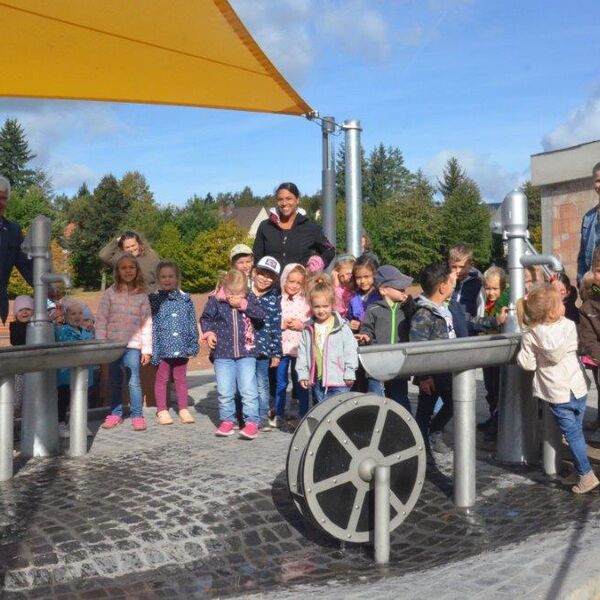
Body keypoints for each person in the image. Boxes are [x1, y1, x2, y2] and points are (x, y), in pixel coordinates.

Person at [517, 284, 598, 494]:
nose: (564, 305)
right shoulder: (569, 325)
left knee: (572, 436)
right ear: (553, 311)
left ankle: (586, 475)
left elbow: (527, 364)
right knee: (577, 432)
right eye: (560, 303)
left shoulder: (532, 334)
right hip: (577, 387)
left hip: (557, 392)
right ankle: (581, 470)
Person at [409, 263, 468, 454]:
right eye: (451, 283)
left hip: (447, 369)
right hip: (431, 374)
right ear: (442, 287)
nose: (453, 286)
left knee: (453, 403)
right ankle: (420, 445)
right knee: (425, 410)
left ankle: (434, 431)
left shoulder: (446, 308)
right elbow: (417, 348)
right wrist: (423, 377)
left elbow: (468, 320)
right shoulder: (424, 313)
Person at [200, 269, 264, 440]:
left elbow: (260, 315)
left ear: (245, 290)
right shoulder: (215, 300)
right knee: (225, 390)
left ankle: (252, 422)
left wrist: (244, 305)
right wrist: (209, 333)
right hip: (222, 354)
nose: (233, 297)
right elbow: (206, 319)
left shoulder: (249, 298)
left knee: (248, 389)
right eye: (230, 293)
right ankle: (227, 421)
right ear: (224, 288)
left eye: (238, 293)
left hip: (246, 353)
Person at [96, 253, 152, 431]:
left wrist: (147, 349)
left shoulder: (142, 296)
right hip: (112, 345)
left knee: (134, 380)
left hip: (133, 345)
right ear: (118, 271)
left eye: (131, 267)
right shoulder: (109, 294)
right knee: (114, 379)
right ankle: (115, 413)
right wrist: (101, 344)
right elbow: (101, 319)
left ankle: (137, 415)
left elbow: (147, 323)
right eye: (124, 267)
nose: (128, 271)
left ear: (137, 270)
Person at [356, 265, 416, 413]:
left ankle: (405, 427)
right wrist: (366, 337)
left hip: (399, 364)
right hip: (375, 364)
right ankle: (374, 426)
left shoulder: (406, 308)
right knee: (375, 398)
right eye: (400, 288)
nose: (404, 292)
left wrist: (410, 304)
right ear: (383, 290)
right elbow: (367, 329)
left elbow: (416, 320)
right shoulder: (373, 309)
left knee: (400, 398)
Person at [149, 261, 199, 426]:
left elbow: (192, 322)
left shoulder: (185, 300)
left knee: (180, 378)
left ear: (177, 278)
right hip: (162, 346)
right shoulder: (154, 299)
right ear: (158, 278)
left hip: (181, 346)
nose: (167, 279)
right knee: (162, 378)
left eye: (170, 276)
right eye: (163, 276)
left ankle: (183, 408)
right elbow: (151, 324)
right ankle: (162, 410)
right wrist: (152, 347)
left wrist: (193, 343)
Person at [297, 274, 358, 402]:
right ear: (311, 306)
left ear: (332, 304)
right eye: (317, 307)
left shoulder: (342, 327)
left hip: (339, 380)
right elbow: (302, 353)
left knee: (338, 413)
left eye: (325, 306)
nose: (321, 310)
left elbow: (351, 351)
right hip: (318, 380)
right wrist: (303, 374)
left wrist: (350, 372)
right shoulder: (308, 328)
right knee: (323, 414)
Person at [253, 182, 335, 271]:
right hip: (271, 284)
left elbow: (330, 250)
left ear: (297, 200)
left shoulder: (311, 228)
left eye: (289, 198)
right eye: (280, 199)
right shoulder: (265, 227)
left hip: (300, 283)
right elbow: (257, 257)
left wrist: (314, 266)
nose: (284, 203)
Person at [248, 256, 282, 431]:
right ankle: (246, 416)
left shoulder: (274, 298)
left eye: (269, 276)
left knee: (262, 384)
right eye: (261, 273)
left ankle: (261, 416)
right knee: (245, 384)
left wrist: (276, 352)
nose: (264, 279)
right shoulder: (244, 293)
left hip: (263, 351)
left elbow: (276, 327)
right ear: (254, 272)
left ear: (275, 280)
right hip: (244, 350)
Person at [274, 263, 310, 427]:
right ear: (284, 280)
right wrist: (282, 323)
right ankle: (279, 413)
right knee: (281, 382)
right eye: (291, 281)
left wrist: (301, 325)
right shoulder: (278, 301)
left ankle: (304, 413)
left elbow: (311, 323)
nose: (293, 286)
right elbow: (272, 321)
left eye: (298, 283)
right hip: (281, 349)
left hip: (299, 349)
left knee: (300, 382)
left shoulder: (305, 302)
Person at [478, 266, 510, 441]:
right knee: (489, 388)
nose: (490, 292)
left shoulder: (503, 304)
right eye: (488, 288)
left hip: (499, 353)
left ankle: (498, 423)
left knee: (498, 388)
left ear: (503, 288)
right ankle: (493, 417)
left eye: (495, 288)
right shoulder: (484, 302)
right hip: (487, 352)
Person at [55, 300, 94, 438]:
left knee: (81, 399)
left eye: (80, 313)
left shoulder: (87, 332)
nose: (77, 316)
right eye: (73, 313)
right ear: (66, 316)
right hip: (66, 373)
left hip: (84, 372)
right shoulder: (62, 331)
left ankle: (78, 423)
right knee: (64, 399)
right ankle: (61, 424)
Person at [0, 175, 33, 324]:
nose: (0, 203)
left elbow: (27, 265)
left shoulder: (13, 230)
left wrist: (49, 288)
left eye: (3, 198)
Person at [576, 161, 600, 285]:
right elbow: (582, 255)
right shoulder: (588, 218)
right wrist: (581, 282)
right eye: (598, 180)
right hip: (593, 288)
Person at [9, 295, 33, 417]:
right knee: (16, 400)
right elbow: (17, 340)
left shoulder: (36, 326)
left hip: (33, 369)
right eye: (20, 310)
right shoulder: (15, 326)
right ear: (15, 314)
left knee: (31, 399)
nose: (24, 312)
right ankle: (9, 422)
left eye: (28, 309)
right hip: (19, 370)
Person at [449, 243, 483, 319]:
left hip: (470, 327)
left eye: (462, 267)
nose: (458, 271)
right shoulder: (444, 281)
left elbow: (481, 310)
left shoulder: (478, 283)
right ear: (449, 264)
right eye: (454, 267)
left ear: (471, 264)